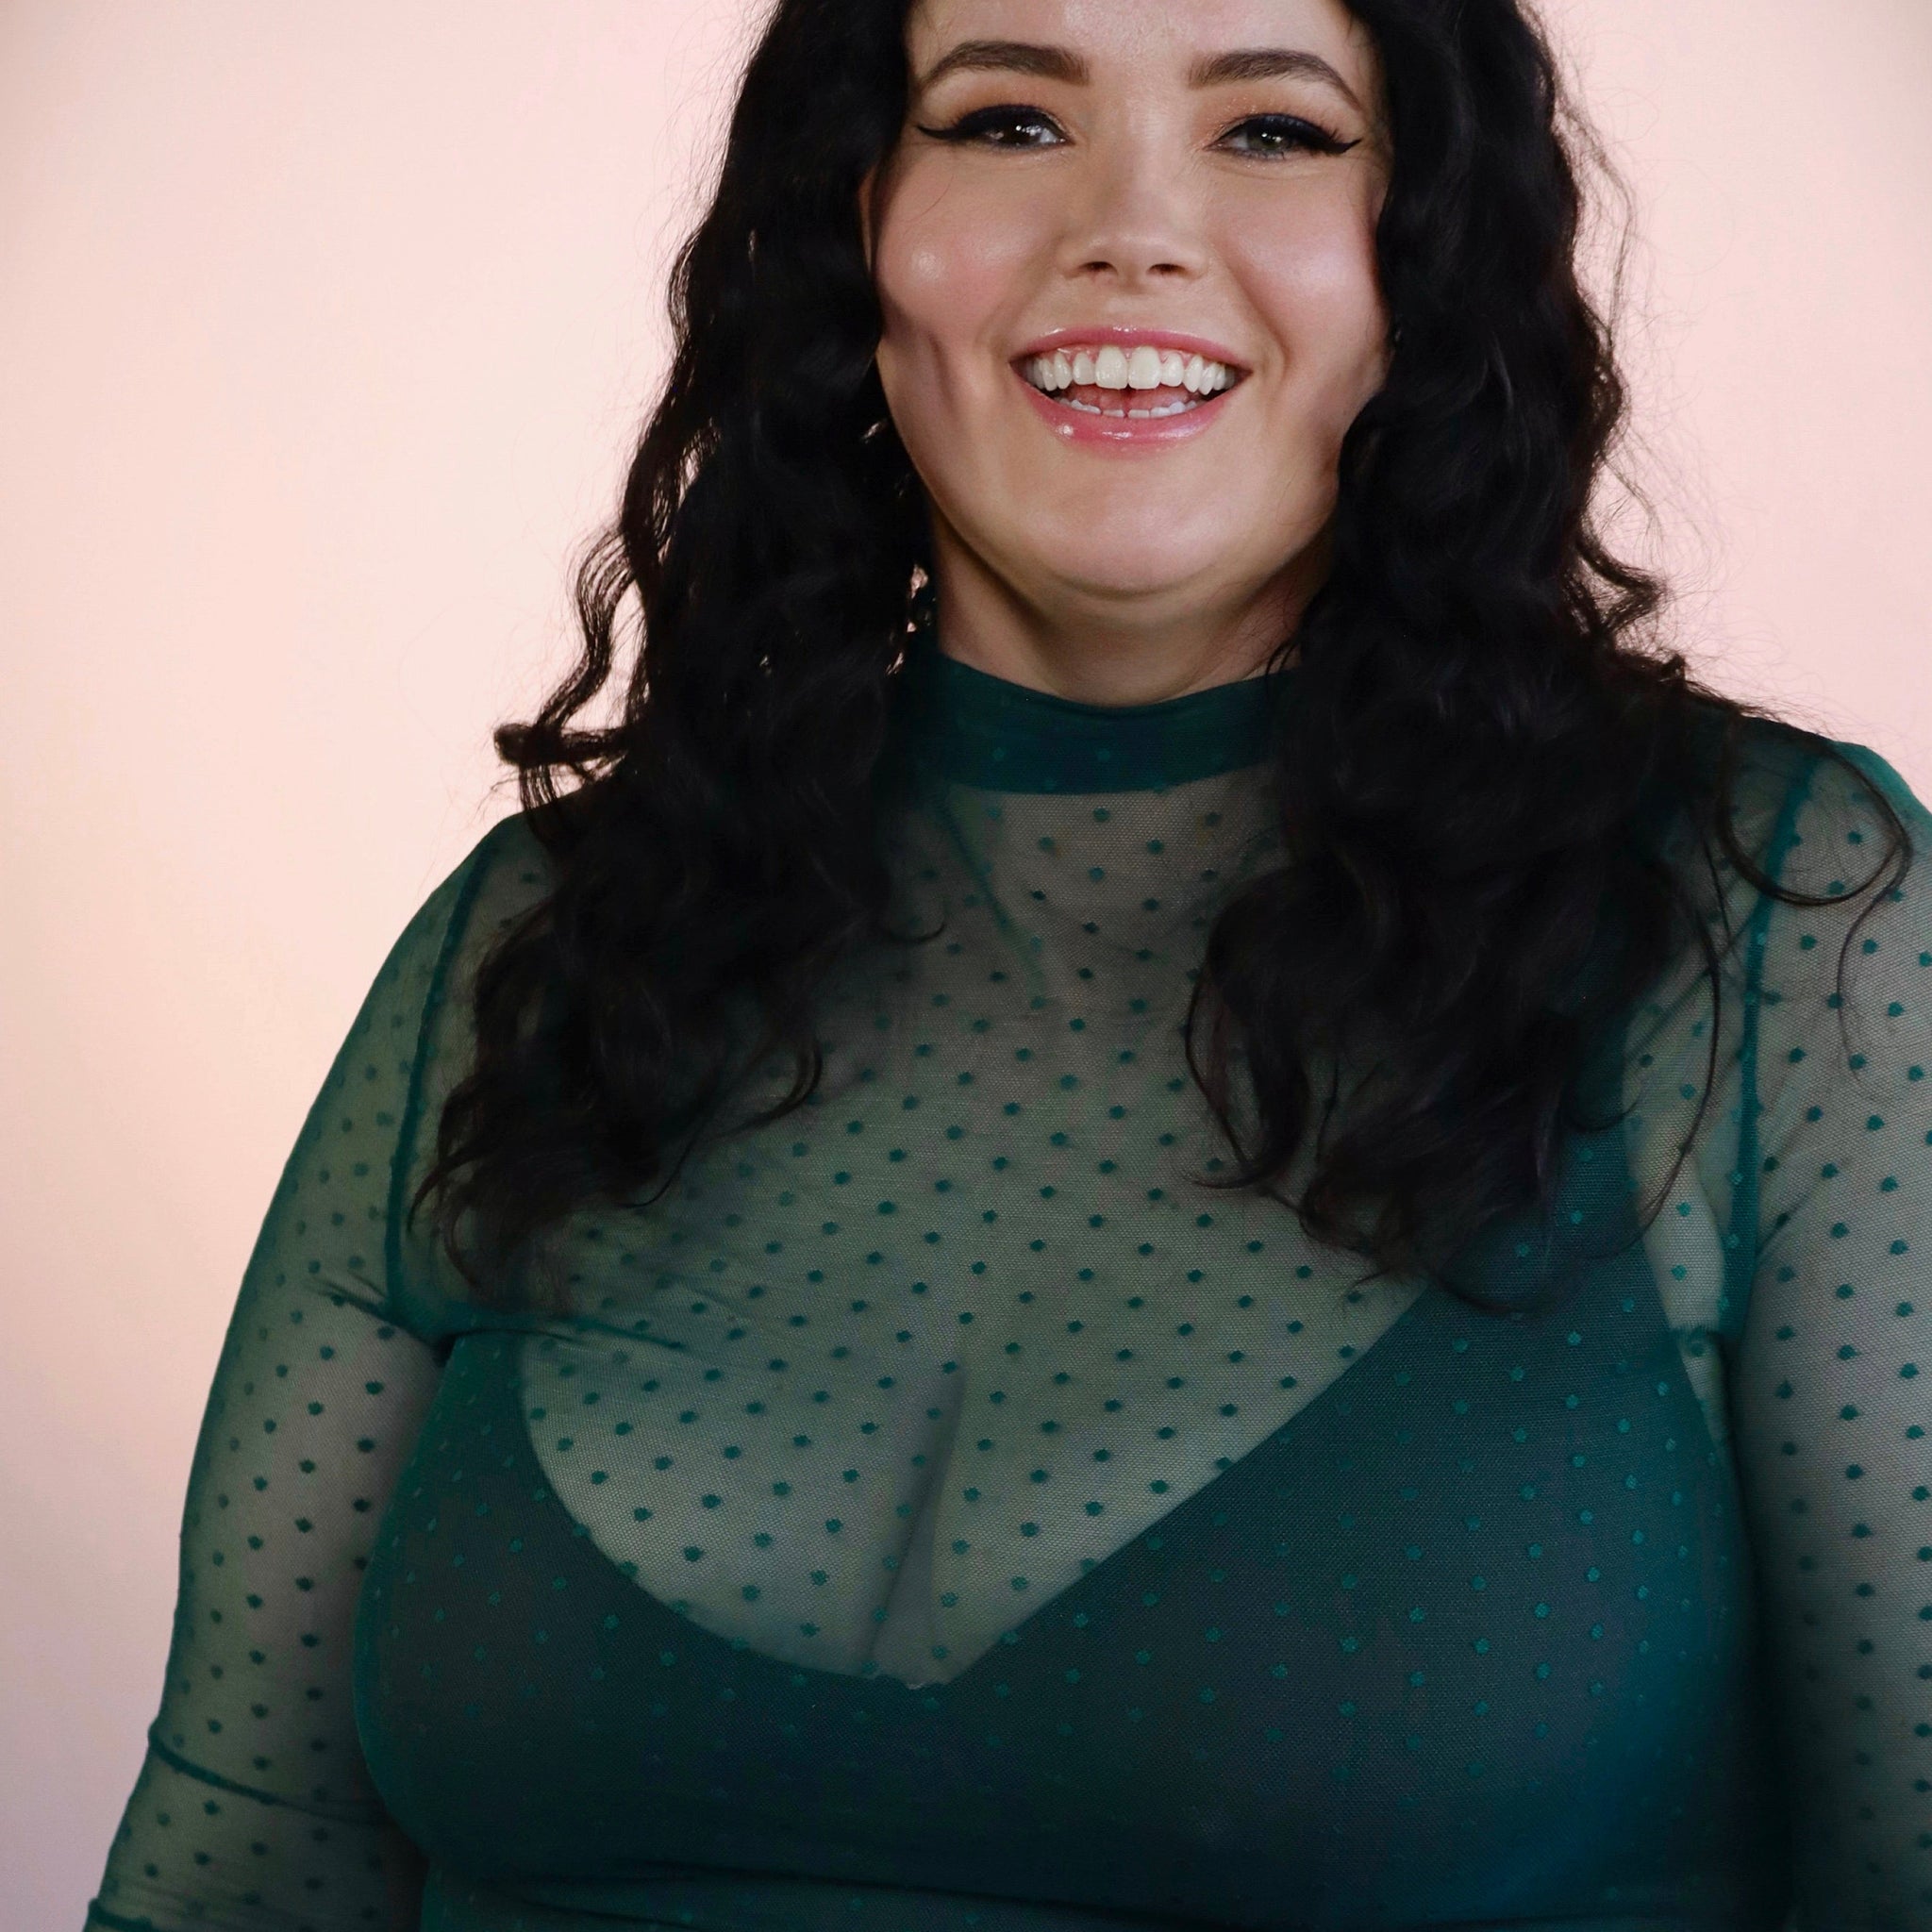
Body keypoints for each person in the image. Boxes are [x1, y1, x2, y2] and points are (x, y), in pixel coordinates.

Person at [84, 0, 1932, 1926]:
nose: (1128, 232)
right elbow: (239, 1865)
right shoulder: (535, 947)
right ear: (858, 225)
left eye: (1276, 131)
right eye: (1007, 120)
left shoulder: (1782, 931)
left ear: (1429, 250)